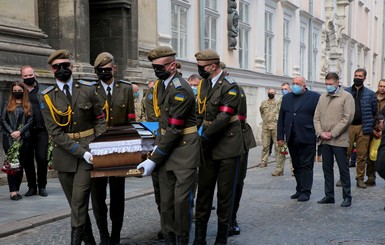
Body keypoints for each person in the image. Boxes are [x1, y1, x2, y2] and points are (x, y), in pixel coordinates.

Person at [40, 49, 106, 244]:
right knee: (76, 206)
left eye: (65, 65)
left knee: (79, 202)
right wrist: (81, 152)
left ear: (72, 66)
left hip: (89, 152)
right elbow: (55, 132)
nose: (62, 69)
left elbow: (100, 119)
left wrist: (95, 145)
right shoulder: (47, 97)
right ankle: (90, 241)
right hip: (65, 156)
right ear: (51, 70)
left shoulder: (87, 89)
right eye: (56, 67)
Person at [137, 46, 201, 244]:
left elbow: (174, 129)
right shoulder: (162, 86)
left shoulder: (180, 89)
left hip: (183, 150)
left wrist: (154, 158)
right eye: (154, 67)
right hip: (166, 146)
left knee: (181, 201)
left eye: (160, 67)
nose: (156, 70)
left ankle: (181, 239)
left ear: (172, 66)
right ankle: (169, 238)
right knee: (166, 202)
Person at [193, 49, 244, 245]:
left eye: (202, 67)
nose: (200, 70)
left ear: (213, 66)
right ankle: (199, 237)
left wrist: (202, 138)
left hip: (227, 146)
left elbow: (223, 119)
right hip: (207, 146)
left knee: (225, 194)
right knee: (204, 191)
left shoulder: (231, 86)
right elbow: (200, 113)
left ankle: (222, 236)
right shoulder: (204, 84)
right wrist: (192, 135)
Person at [92, 52, 135, 244]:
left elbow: (131, 120)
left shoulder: (125, 89)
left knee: (118, 193)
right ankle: (104, 235)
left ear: (114, 69)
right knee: (98, 193)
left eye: (107, 69)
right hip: (98, 147)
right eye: (100, 70)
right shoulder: (90, 90)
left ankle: (116, 234)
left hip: (119, 147)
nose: (104, 73)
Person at [314, 72, 354, 207]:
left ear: (337, 83)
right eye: (326, 84)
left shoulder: (346, 97)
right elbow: (316, 118)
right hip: (324, 140)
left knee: (343, 169)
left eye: (330, 84)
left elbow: (347, 118)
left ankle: (347, 196)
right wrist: (320, 133)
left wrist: (333, 133)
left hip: (339, 140)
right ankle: (329, 195)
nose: (328, 87)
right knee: (327, 169)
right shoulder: (322, 97)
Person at [277, 76, 320, 202]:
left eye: (298, 83)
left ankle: (306, 191)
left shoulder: (314, 97)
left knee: (306, 165)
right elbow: (281, 118)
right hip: (292, 136)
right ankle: (299, 189)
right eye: (293, 83)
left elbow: (318, 116)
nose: (295, 85)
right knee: (296, 165)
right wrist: (280, 136)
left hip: (307, 136)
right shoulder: (286, 98)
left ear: (304, 86)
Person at [228, 86, 256, 236]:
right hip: (208, 142)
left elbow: (240, 117)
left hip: (237, 139)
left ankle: (231, 220)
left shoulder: (236, 90)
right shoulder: (203, 89)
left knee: (236, 182)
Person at [344, 68, 377, 188]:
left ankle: (360, 178)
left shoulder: (370, 94)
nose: (357, 77)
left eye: (360, 76)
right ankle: (343, 178)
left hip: (363, 127)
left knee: (362, 155)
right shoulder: (346, 92)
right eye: (356, 75)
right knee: (345, 154)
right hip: (348, 127)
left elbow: (374, 112)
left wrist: (370, 125)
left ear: (364, 78)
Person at [20, 66, 49, 197]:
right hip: (26, 131)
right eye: (25, 76)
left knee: (42, 158)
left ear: (35, 74)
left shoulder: (43, 89)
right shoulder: (20, 90)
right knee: (27, 160)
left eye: (30, 75)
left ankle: (42, 186)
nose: (28, 78)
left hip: (42, 130)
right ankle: (32, 186)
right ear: (22, 77)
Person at [1, 81, 33, 201]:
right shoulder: (7, 103)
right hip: (9, 138)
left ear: (23, 91)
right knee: (12, 165)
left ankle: (17, 189)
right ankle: (12, 192)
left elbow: (30, 121)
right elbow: (2, 119)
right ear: (12, 91)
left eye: (19, 91)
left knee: (20, 165)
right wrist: (12, 132)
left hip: (24, 138)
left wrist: (20, 132)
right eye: (15, 91)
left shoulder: (28, 105)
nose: (17, 93)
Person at [259, 88, 285, 176]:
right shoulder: (264, 103)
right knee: (265, 145)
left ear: (275, 94)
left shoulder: (278, 103)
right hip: (266, 126)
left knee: (278, 146)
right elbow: (261, 112)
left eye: (272, 93)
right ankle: (263, 161)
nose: (271, 94)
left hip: (275, 127)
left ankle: (279, 164)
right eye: (269, 93)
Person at [365, 79, 385, 186]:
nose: (382, 88)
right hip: (372, 128)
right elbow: (369, 113)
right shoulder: (372, 96)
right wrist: (372, 129)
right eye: (381, 86)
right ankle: (371, 176)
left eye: (384, 86)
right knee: (370, 154)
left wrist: (383, 130)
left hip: (383, 131)